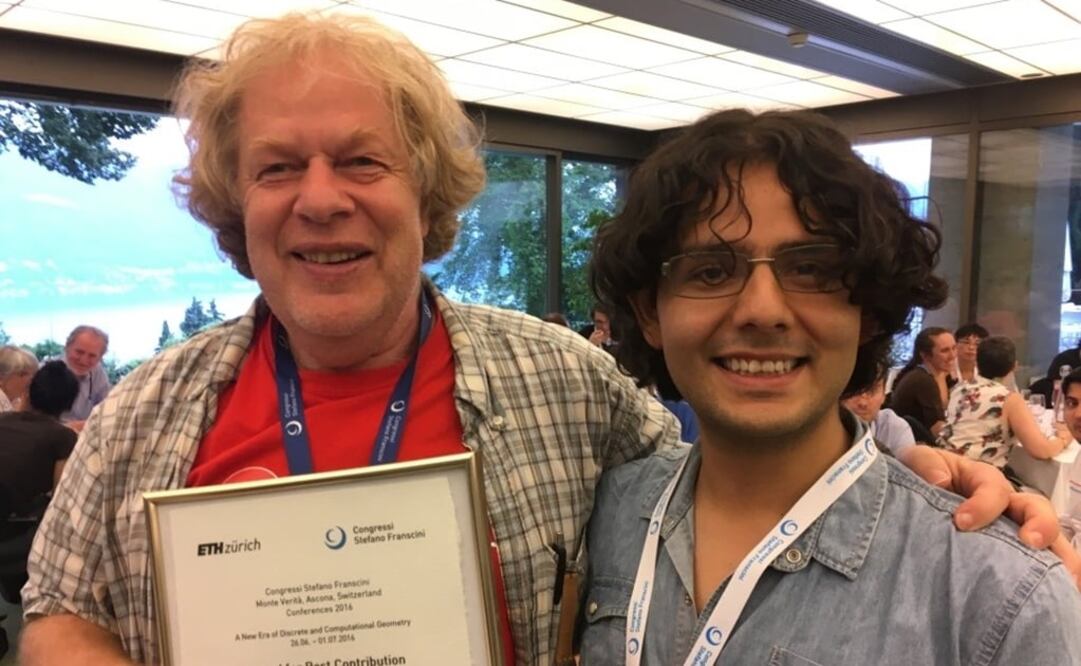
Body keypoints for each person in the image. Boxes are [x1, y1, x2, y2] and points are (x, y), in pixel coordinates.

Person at [18, 14, 1075, 666]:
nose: (321, 201)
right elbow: (57, 608)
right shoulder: (141, 414)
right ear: (232, 204)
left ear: (426, 193)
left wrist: (911, 465)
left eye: (362, 163)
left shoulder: (562, 383)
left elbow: (754, 467)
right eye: (278, 168)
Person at [582, 109, 1081, 664]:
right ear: (650, 313)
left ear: (868, 308)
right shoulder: (609, 512)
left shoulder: (997, 594)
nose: (763, 310)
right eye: (711, 271)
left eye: (812, 270)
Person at [938, 336, 1069, 473]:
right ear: (1015, 366)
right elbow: (1040, 451)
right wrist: (1064, 440)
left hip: (945, 465)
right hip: (978, 475)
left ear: (977, 363)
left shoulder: (959, 389)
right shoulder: (1008, 398)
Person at [889, 326, 957, 435]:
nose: (952, 355)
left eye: (954, 348)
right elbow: (937, 428)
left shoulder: (944, 376)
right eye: (945, 351)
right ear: (925, 355)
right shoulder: (922, 380)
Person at [841, 368, 917, 456]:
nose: (863, 403)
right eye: (853, 391)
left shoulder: (893, 427)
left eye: (872, 391)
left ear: (884, 395)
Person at [59, 325, 111, 425]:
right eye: (79, 352)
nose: (84, 361)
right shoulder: (47, 372)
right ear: (67, 347)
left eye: (92, 356)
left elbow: (106, 411)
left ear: (100, 357)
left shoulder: (98, 373)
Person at [0, 345, 38, 413]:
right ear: (1, 378)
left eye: (34, 374)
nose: (31, 379)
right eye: (23, 374)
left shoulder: (17, 401)